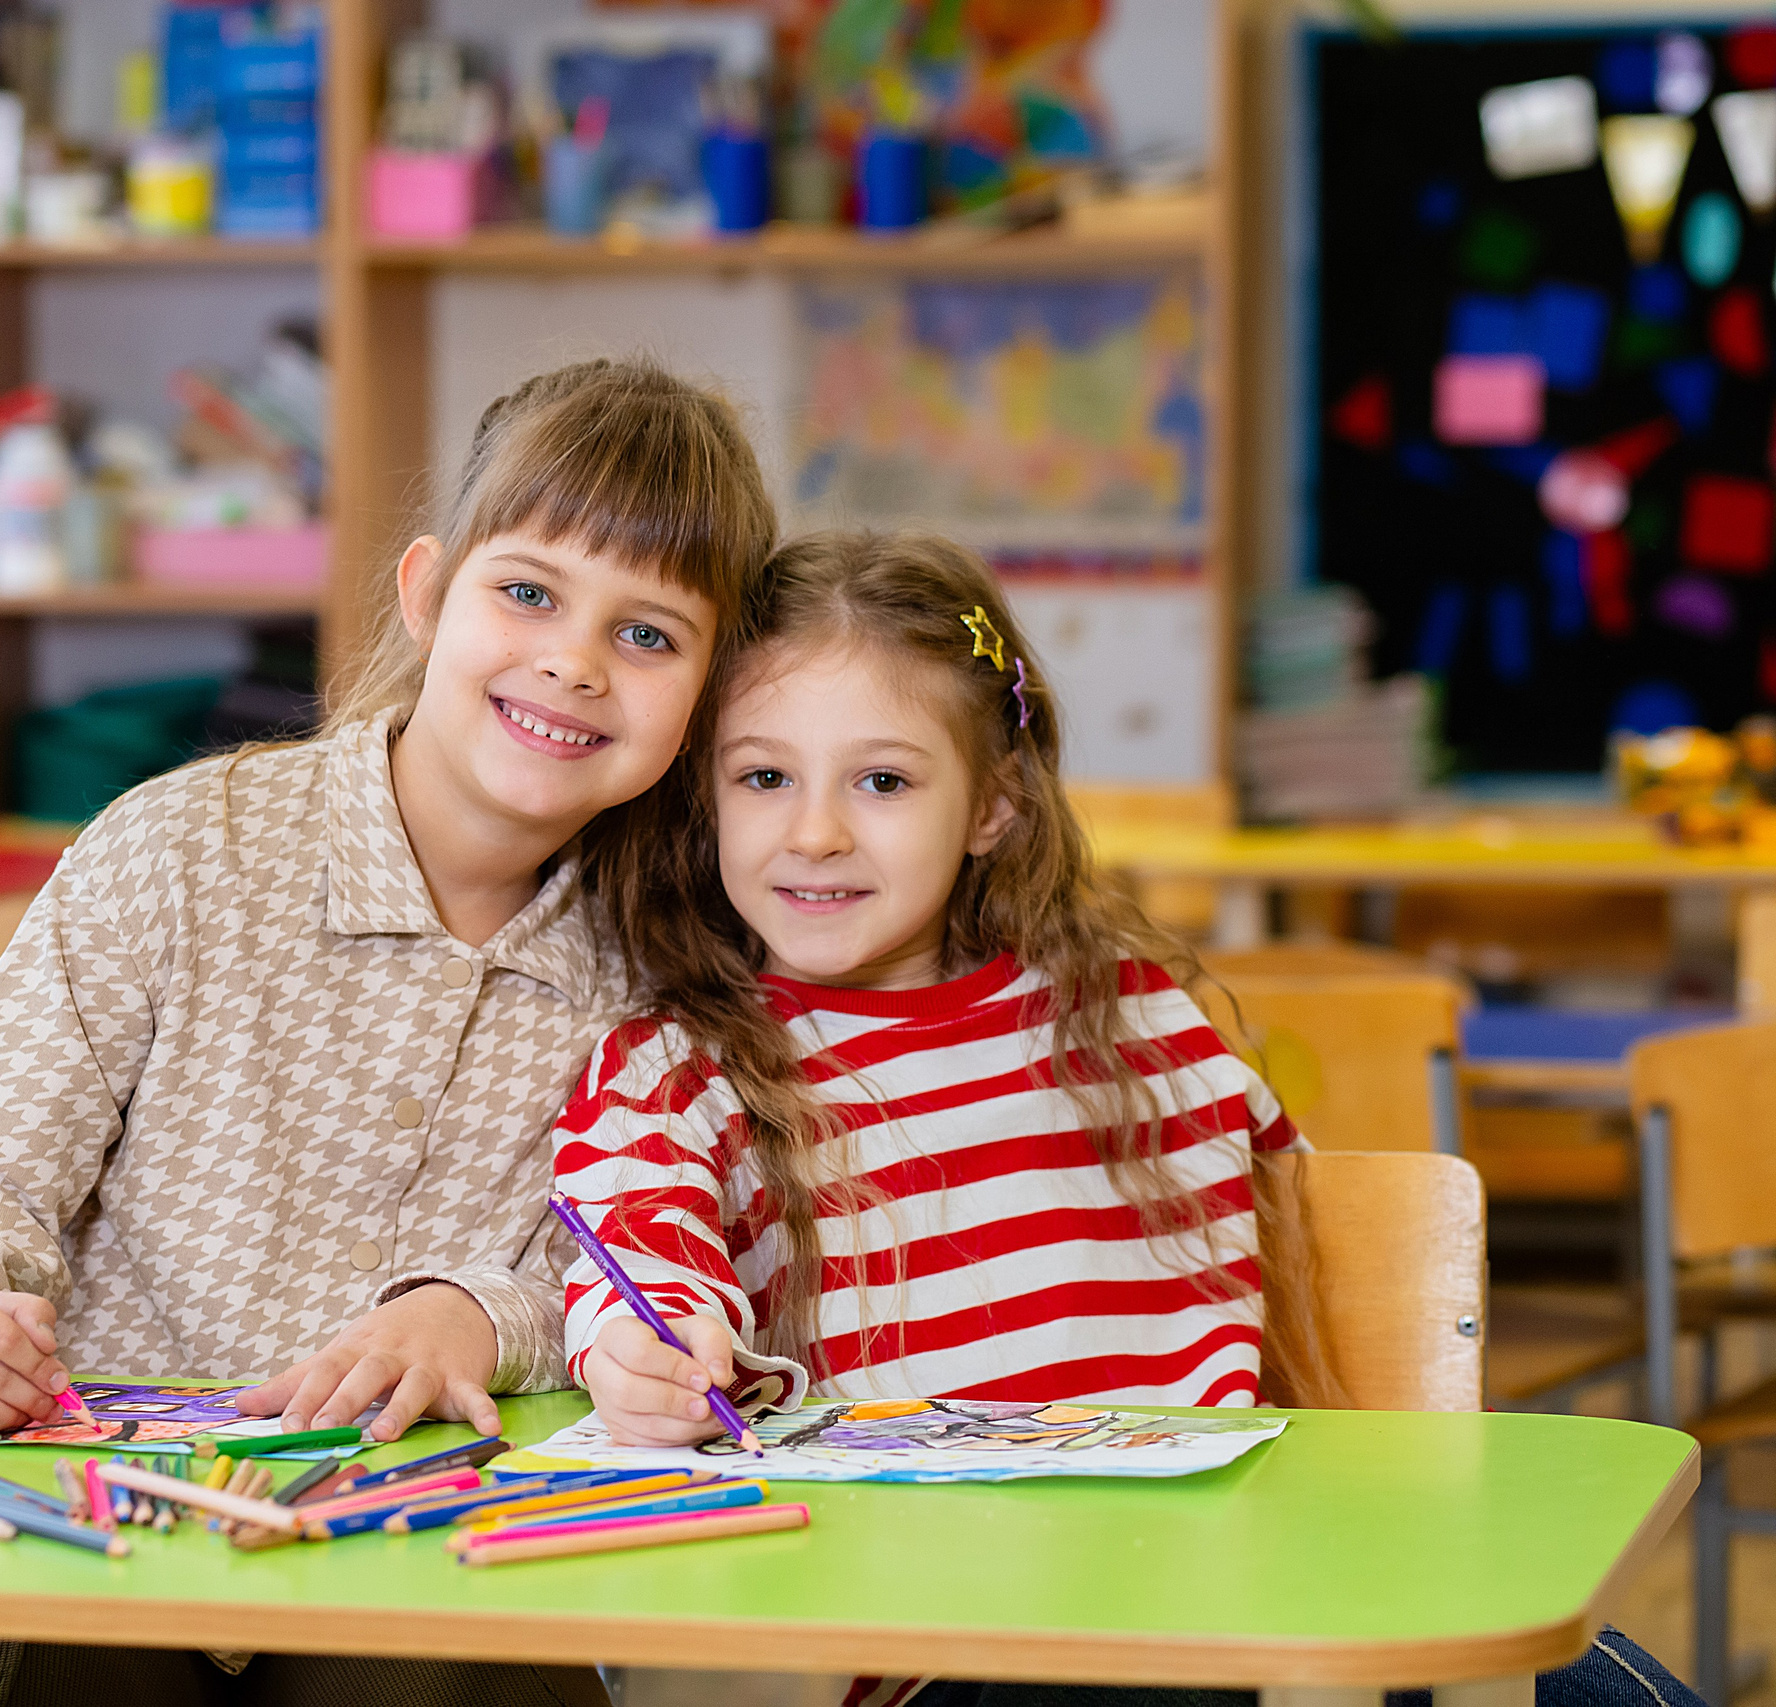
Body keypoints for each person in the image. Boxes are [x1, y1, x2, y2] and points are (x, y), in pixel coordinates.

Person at [551, 529, 1705, 1707]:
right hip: (964, 1656)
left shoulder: (1130, 1021)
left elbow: (1320, 1259)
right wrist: (650, 1342)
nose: (815, 834)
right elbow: (634, 1236)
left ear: (993, 803)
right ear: (706, 795)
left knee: (1570, 1674)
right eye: (763, 777)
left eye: (883, 781)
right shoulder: (680, 1067)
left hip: (1243, 1593)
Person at [0, 357, 777, 1707]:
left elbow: (650, 1275)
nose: (572, 658)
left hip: (431, 1547)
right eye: (529, 592)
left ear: (705, 698)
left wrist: (479, 1312)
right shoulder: (182, 846)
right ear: (430, 592)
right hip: (93, 1523)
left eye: (649, 634)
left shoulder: (681, 966)